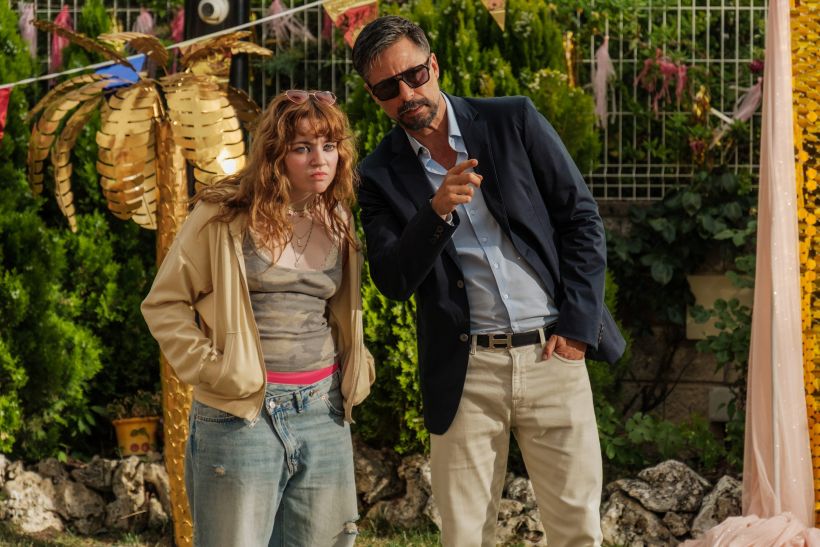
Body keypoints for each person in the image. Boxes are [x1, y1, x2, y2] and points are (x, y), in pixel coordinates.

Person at [352, 16, 626, 547]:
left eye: (414, 75)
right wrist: (435, 212)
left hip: (552, 354)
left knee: (577, 531)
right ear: (373, 96)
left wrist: (577, 328)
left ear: (433, 65)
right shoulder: (378, 175)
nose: (407, 95)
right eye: (388, 88)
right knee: (464, 536)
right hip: (466, 371)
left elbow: (581, 219)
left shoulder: (511, 120)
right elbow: (392, 279)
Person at [141, 89, 374, 547]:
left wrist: (356, 368)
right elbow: (164, 303)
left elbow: (340, 312)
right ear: (275, 154)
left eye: (328, 146)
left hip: (324, 410)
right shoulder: (224, 215)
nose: (319, 160)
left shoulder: (338, 218)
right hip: (242, 414)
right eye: (302, 147)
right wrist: (214, 370)